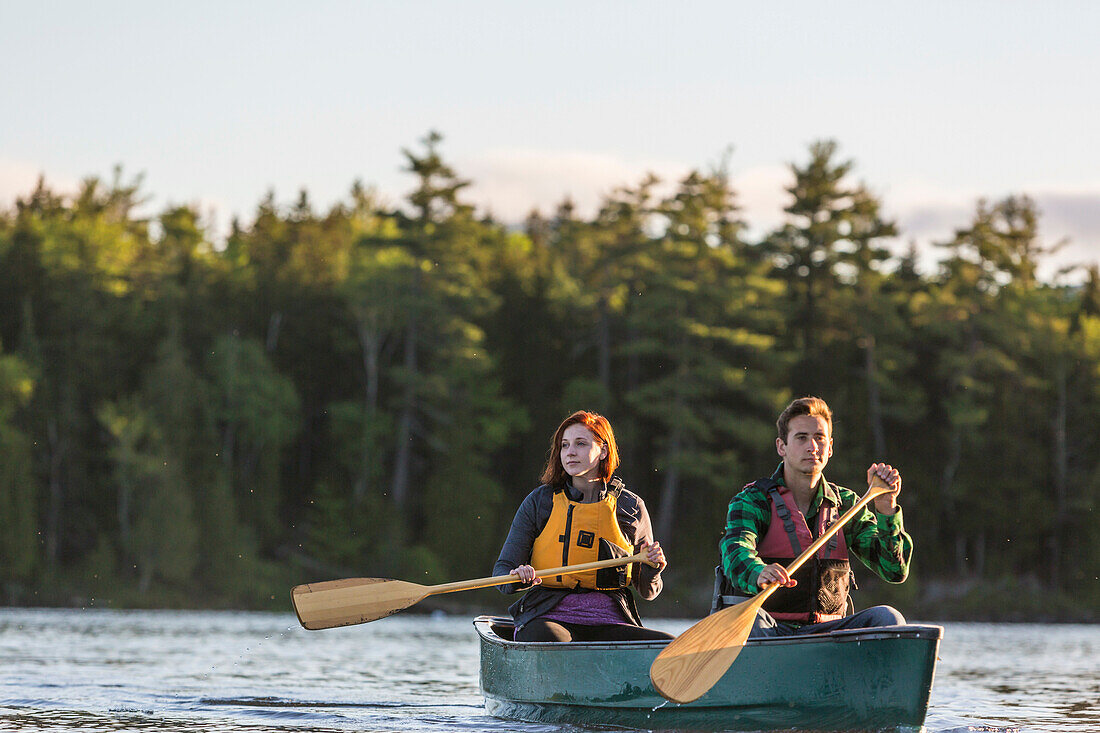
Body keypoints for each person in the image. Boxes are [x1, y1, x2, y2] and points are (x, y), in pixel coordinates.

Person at [716, 396, 913, 637]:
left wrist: (886, 507)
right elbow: (735, 551)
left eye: (819, 438)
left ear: (830, 447)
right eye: (801, 438)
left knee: (889, 617)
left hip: (828, 634)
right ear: (782, 447)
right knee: (750, 621)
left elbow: (894, 570)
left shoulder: (848, 505)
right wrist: (758, 572)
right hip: (769, 629)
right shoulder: (753, 501)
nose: (812, 447)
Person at [493, 410, 673, 642]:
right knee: (549, 639)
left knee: (667, 645)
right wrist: (518, 577)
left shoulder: (631, 506)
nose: (570, 453)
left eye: (580, 444)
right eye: (565, 445)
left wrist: (653, 569)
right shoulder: (540, 502)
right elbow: (502, 574)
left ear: (603, 451)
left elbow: (649, 592)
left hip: (609, 619)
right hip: (547, 616)